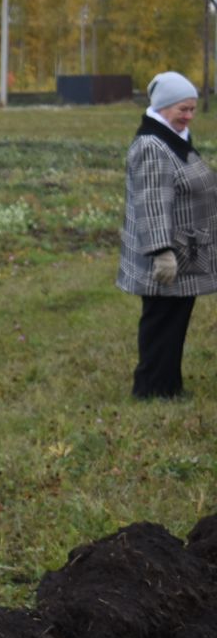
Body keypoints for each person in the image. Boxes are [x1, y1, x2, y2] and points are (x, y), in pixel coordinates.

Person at [117, 71, 216, 400]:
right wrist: (161, 251)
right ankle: (151, 390)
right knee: (161, 324)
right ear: (162, 107)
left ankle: (168, 386)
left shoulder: (174, 138)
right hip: (167, 256)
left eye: (191, 109)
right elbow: (153, 202)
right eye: (181, 109)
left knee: (174, 324)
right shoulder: (152, 146)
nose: (188, 116)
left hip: (185, 250)